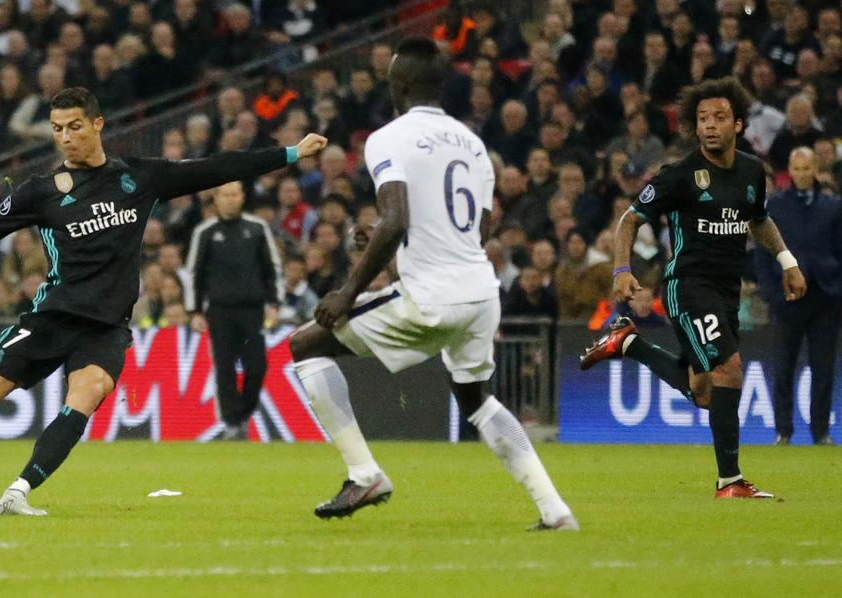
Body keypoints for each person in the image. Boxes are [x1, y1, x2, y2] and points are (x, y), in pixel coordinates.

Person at [0, 87, 326, 516]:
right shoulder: (41, 192)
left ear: (97, 124)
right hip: (51, 317)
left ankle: (18, 492)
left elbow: (216, 168)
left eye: (74, 126)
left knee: (87, 394)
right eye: (57, 130)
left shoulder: (139, 178)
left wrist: (291, 154)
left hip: (106, 327)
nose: (66, 138)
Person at [286, 38, 577, 530]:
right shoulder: (473, 144)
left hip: (432, 297)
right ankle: (555, 510)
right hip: (481, 294)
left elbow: (395, 217)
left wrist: (346, 294)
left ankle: (364, 474)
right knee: (477, 399)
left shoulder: (388, 138)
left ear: (398, 84)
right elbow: (476, 232)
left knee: (305, 346)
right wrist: (391, 239)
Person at [581, 77, 806, 499]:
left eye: (719, 117)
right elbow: (630, 219)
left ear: (738, 124)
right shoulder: (680, 175)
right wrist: (621, 270)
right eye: (702, 118)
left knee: (705, 393)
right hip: (687, 287)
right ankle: (730, 482)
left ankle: (629, 344)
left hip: (725, 290)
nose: (710, 125)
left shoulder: (752, 171)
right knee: (730, 369)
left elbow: (759, 220)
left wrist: (787, 261)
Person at [756, 147, 841, 445]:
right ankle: (783, 431)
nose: (802, 174)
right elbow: (763, 254)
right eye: (797, 168)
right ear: (789, 171)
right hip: (787, 297)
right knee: (783, 367)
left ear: (816, 169)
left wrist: (836, 292)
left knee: (824, 369)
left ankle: (821, 432)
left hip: (824, 298)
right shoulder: (775, 207)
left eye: (807, 168)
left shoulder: (833, 207)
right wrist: (771, 292)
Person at [186, 181, 283, 440]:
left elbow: (271, 268)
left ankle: (242, 413)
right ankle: (233, 423)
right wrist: (194, 311)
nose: (229, 199)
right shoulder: (206, 232)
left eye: (234, 194)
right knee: (225, 367)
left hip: (252, 309)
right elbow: (194, 273)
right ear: (216, 199)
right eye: (224, 195)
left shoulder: (256, 228)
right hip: (219, 311)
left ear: (242, 197)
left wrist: (274, 303)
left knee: (257, 367)